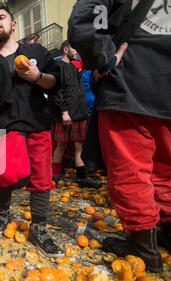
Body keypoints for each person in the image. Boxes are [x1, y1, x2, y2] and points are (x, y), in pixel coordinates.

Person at [68, 0, 171, 272]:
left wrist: (103, 57)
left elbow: (84, 21)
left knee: (130, 168)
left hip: (129, 82)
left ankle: (143, 247)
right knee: (167, 166)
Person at [0, 4, 64, 257]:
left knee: (42, 179)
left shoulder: (35, 52)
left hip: (37, 124)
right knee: (4, 174)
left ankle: (39, 228)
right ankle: (3, 212)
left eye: (1, 17)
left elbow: (55, 81)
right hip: (5, 130)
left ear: (13, 24)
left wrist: (37, 76)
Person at [49, 41, 102, 189]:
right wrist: (64, 112)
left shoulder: (74, 68)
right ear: (66, 50)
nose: (76, 52)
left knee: (80, 147)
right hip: (65, 114)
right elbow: (56, 92)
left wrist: (83, 115)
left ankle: (82, 178)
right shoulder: (58, 67)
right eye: (74, 49)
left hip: (79, 114)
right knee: (61, 145)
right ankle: (55, 176)